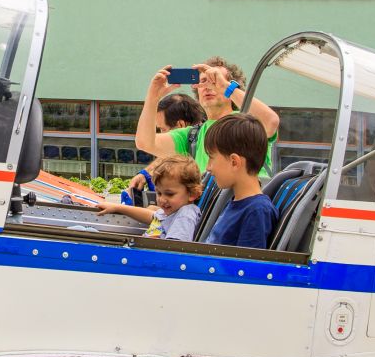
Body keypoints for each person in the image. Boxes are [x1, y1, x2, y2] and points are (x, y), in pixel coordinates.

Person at [135, 57, 280, 174]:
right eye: (203, 81)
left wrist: (225, 87)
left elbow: (271, 122)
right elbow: (144, 143)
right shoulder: (192, 136)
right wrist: (153, 97)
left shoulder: (246, 121)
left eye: (214, 81)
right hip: (212, 202)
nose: (208, 87)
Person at [201, 114, 277, 249]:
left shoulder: (257, 211)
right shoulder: (238, 202)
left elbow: (246, 261)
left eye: (211, 158)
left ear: (234, 162)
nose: (208, 167)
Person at [96, 154, 202, 240]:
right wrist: (117, 207)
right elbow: (150, 215)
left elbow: (175, 249)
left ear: (192, 194)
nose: (161, 199)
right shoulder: (172, 211)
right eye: (159, 193)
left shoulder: (185, 215)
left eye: (170, 194)